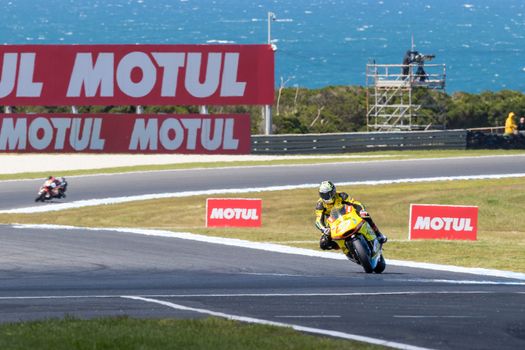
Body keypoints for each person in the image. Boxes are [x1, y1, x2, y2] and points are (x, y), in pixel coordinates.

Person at [315, 180, 387, 251]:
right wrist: (324, 229)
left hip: (348, 215)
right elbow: (318, 220)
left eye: (328, 194)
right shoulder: (320, 204)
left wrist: (361, 211)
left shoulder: (341, 195)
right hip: (332, 222)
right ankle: (344, 247)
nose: (326, 197)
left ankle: (378, 235)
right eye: (323, 195)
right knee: (323, 244)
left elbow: (356, 203)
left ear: (333, 191)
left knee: (365, 215)